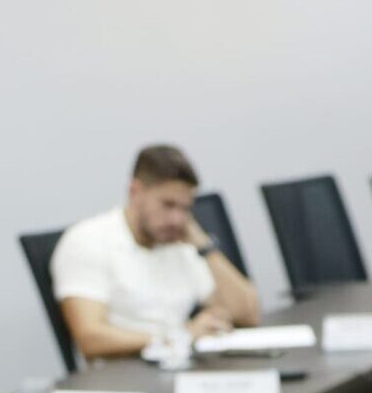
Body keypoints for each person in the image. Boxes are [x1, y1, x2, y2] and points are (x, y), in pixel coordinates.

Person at [49, 144, 261, 360]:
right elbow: (90, 338)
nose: (177, 219)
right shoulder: (88, 240)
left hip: (181, 363)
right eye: (168, 205)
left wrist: (203, 245)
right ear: (135, 191)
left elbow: (247, 314)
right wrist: (181, 336)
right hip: (127, 371)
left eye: (185, 208)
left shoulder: (180, 242)